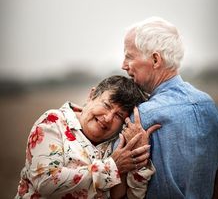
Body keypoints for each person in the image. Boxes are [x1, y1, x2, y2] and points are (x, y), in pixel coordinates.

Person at [120, 17, 218, 199]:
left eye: (129, 56)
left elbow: (118, 186)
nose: (123, 65)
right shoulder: (209, 105)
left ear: (155, 59)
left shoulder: (142, 117)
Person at [15, 75, 160, 199]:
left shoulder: (117, 144)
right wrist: (112, 167)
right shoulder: (54, 121)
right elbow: (45, 181)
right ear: (92, 95)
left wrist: (140, 152)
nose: (108, 118)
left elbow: (130, 196)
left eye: (119, 115)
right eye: (107, 105)